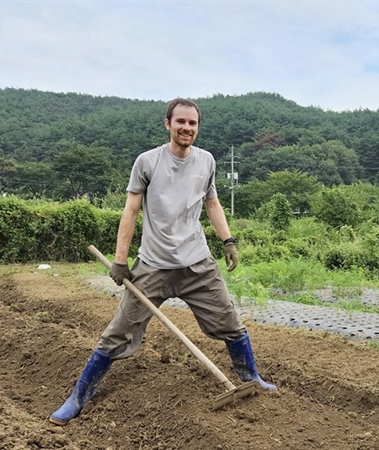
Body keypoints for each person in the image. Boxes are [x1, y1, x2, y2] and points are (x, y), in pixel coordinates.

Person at [49, 98, 276, 426]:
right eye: (181, 122)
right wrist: (120, 261)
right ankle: (77, 397)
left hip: (197, 264)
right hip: (153, 265)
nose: (187, 128)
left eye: (193, 123)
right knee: (117, 333)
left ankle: (251, 377)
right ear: (168, 124)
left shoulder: (207, 161)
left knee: (231, 323)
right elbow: (130, 211)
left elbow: (212, 203)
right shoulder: (147, 162)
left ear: (198, 127)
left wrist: (228, 240)